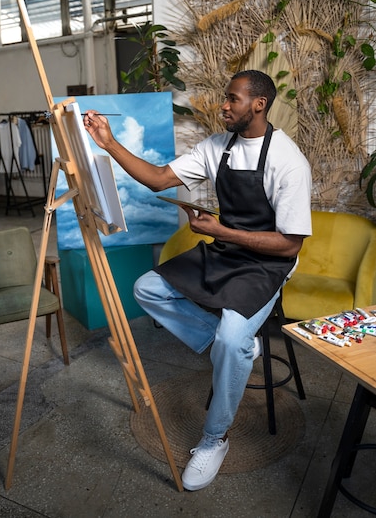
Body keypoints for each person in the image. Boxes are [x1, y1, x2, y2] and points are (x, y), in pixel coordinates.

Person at [83, 69, 312, 491]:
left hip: (267, 264)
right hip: (227, 251)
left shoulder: (287, 160)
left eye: (232, 99)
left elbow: (290, 246)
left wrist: (220, 231)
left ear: (259, 104)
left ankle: (213, 439)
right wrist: (109, 143)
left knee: (231, 341)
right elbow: (157, 179)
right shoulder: (216, 147)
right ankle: (236, 346)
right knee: (147, 288)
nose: (223, 106)